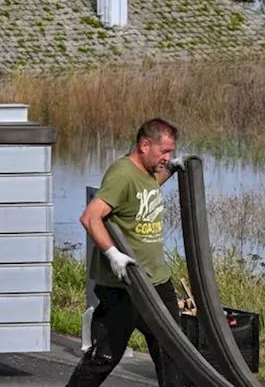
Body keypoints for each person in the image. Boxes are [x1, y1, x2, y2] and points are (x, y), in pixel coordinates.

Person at [65, 118, 185, 387]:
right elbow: (90, 217)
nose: (168, 157)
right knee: (106, 356)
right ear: (144, 145)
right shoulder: (121, 174)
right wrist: (113, 255)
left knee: (173, 353)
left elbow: (142, 194)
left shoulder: (148, 172)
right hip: (124, 283)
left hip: (156, 279)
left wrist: (173, 169)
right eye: (164, 151)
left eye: (171, 152)